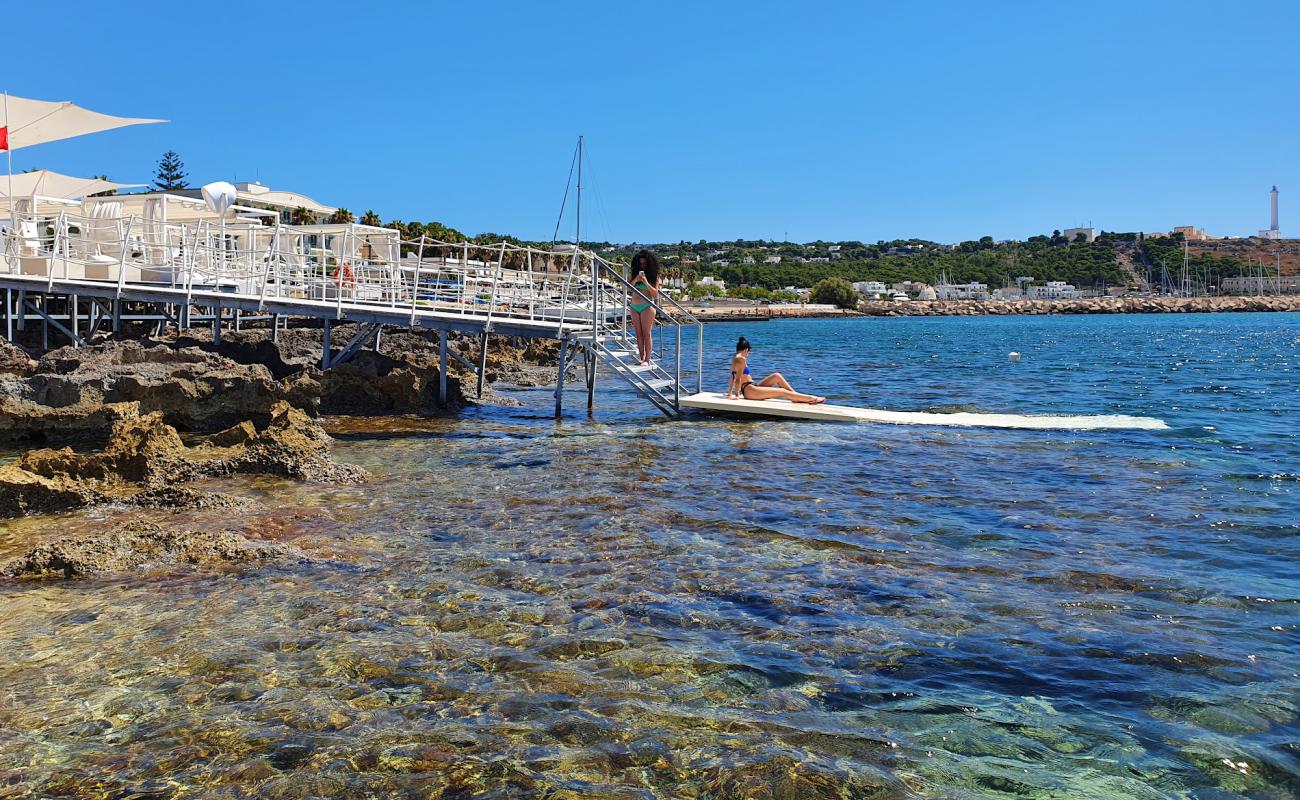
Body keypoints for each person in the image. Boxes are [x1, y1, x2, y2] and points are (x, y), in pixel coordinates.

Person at [725, 336, 825, 404]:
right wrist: (736, 395)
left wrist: (730, 392)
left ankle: (795, 397)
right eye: (749, 352)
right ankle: (811, 399)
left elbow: (732, 375)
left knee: (777, 376)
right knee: (781, 391)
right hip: (750, 391)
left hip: (752, 387)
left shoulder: (735, 356)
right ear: (746, 350)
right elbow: (737, 378)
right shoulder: (741, 359)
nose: (748, 354)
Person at [627, 249, 661, 365]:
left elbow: (655, 293)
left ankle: (647, 359)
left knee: (647, 333)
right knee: (638, 333)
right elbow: (627, 289)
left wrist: (646, 282)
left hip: (647, 307)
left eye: (644, 263)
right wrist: (636, 279)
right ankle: (641, 358)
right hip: (634, 306)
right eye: (640, 263)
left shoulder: (654, 277)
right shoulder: (635, 276)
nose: (642, 265)